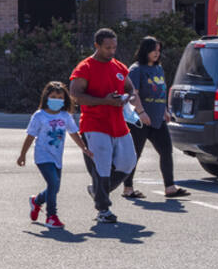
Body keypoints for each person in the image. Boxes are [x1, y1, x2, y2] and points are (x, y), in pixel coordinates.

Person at [69, 27, 138, 225]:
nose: (111, 51)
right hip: (94, 124)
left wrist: (129, 97)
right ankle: (103, 209)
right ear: (97, 46)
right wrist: (105, 101)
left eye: (114, 47)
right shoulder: (85, 67)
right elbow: (75, 94)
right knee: (102, 166)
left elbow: (130, 88)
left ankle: (98, 191)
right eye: (107, 48)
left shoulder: (118, 66)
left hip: (118, 123)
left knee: (128, 162)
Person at [17, 80, 91, 228]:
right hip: (43, 156)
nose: (56, 100)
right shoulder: (39, 116)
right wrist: (22, 154)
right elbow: (30, 136)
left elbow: (73, 133)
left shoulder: (65, 116)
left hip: (57, 156)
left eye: (60, 98)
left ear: (64, 99)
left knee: (55, 187)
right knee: (53, 183)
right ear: (46, 97)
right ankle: (51, 216)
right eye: (53, 97)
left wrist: (84, 148)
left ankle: (36, 201)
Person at [122, 36, 188, 200]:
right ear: (145, 50)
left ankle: (170, 187)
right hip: (140, 120)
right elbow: (133, 94)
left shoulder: (159, 69)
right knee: (135, 153)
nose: (157, 54)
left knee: (166, 151)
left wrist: (165, 110)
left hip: (158, 119)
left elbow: (161, 92)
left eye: (159, 50)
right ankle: (128, 188)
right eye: (154, 50)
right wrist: (141, 112)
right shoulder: (136, 70)